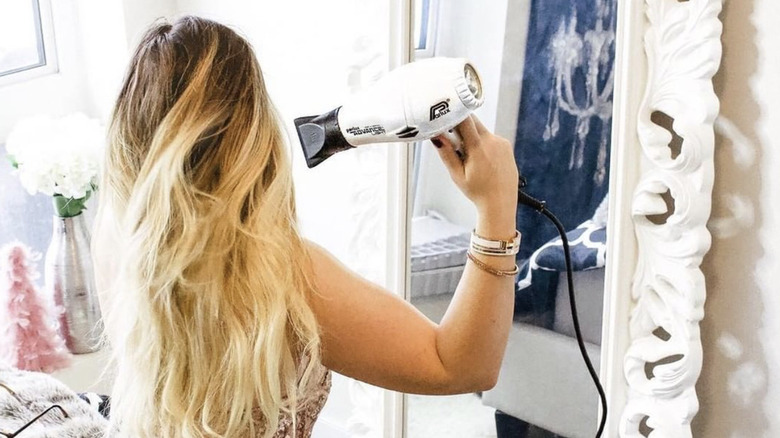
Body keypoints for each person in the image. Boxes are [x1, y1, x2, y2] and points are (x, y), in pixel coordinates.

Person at [92, 15, 519, 438]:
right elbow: (461, 366)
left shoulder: (115, 235)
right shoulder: (285, 278)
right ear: (250, 132)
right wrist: (496, 207)